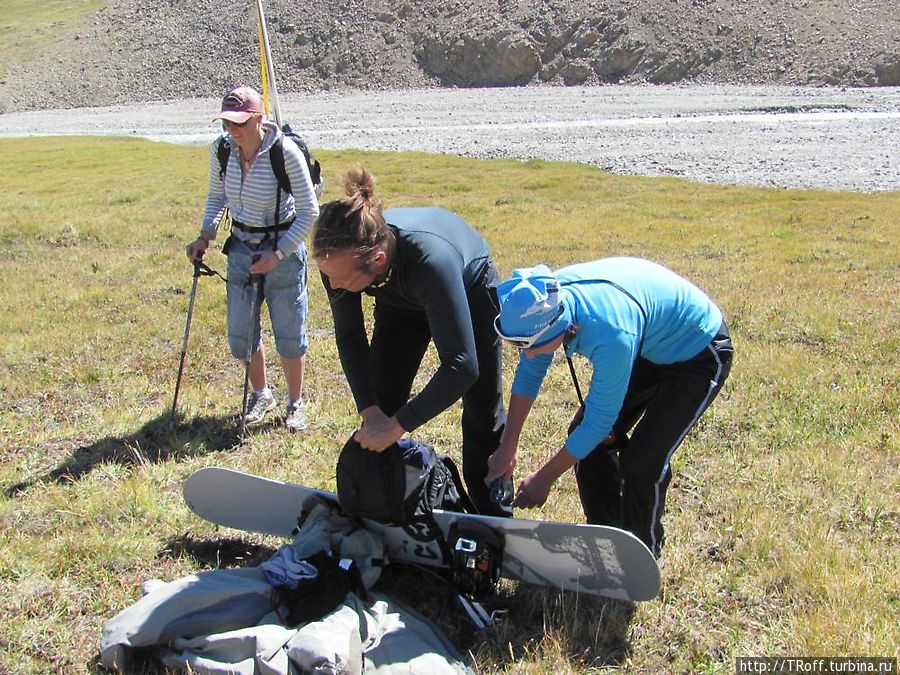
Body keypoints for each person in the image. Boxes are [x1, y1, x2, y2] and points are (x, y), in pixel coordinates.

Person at [485, 257, 733, 558]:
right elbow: (530, 374)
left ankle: (642, 555)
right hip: (649, 342)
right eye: (519, 344)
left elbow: (600, 424)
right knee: (585, 440)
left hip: (698, 351)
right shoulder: (542, 302)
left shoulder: (612, 333)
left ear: (560, 327)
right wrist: (507, 448)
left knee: (642, 461)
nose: (529, 353)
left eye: (531, 344)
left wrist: (544, 478)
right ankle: (608, 536)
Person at [312, 167, 508, 515]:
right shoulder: (339, 264)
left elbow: (462, 367)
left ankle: (493, 518)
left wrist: (399, 425)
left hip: (470, 287)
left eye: (341, 279)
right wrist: (372, 411)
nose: (334, 286)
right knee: (380, 402)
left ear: (378, 259)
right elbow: (349, 334)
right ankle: (381, 503)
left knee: (481, 411)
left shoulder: (431, 261)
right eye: (329, 277)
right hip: (399, 302)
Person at [185, 85, 320, 431]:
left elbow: (309, 211)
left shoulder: (285, 153)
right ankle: (261, 395)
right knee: (241, 334)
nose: (232, 129)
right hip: (242, 248)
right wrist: (205, 236)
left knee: (290, 332)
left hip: (282, 249)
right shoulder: (222, 151)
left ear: (258, 118)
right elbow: (217, 196)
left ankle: (295, 403)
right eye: (227, 122)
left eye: (239, 122)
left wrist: (278, 254)